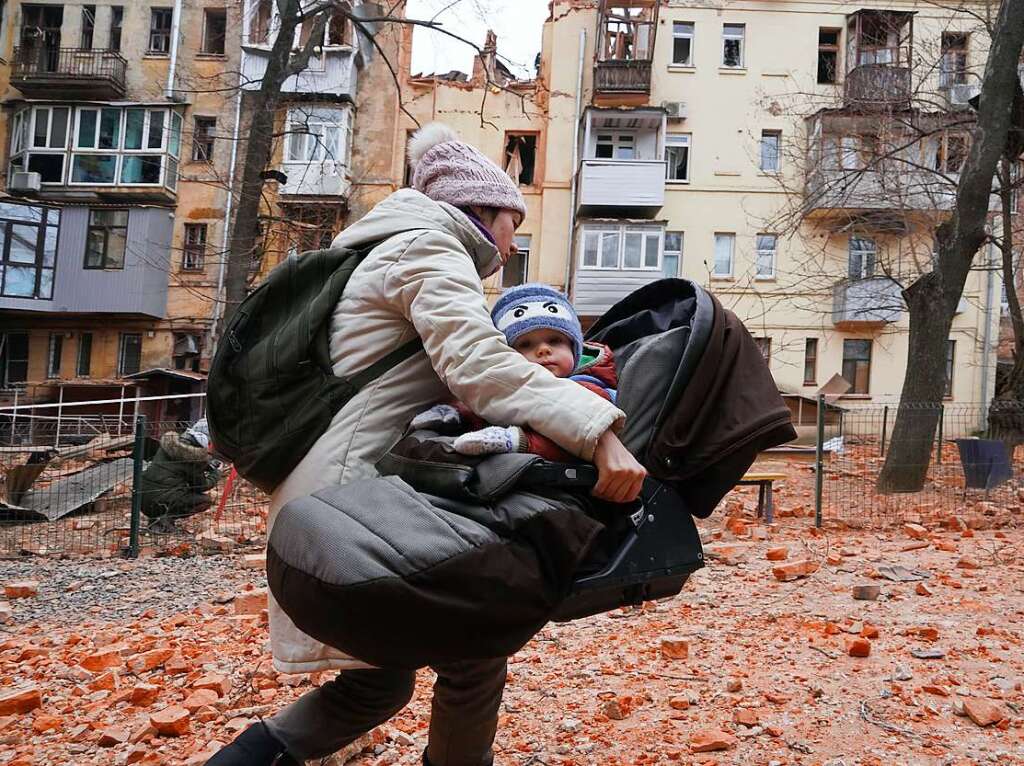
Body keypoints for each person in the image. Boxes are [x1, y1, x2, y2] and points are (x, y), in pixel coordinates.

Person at [207, 123, 646, 766]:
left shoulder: (384, 249)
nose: (513, 238)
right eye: (510, 220)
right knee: (474, 645)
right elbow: (479, 364)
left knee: (381, 678)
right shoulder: (428, 251)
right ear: (481, 212)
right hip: (349, 493)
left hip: (329, 488)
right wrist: (597, 430)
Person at [412, 283, 618, 462]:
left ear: (575, 348)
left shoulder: (589, 388)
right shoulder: (509, 385)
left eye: (555, 341)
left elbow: (584, 431)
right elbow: (487, 404)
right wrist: (459, 412)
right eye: (525, 344)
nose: (543, 350)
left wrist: (517, 440)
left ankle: (514, 441)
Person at [140, 418, 218, 532]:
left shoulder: (169, 445)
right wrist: (216, 473)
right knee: (205, 500)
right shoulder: (195, 458)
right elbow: (201, 486)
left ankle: (156, 519)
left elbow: (177, 464)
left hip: (142, 499)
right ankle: (165, 519)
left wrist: (206, 464)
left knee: (170, 489)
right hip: (160, 502)